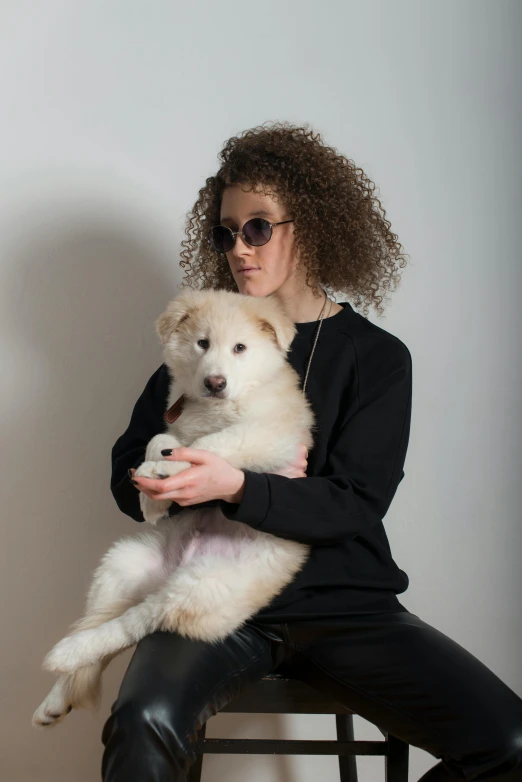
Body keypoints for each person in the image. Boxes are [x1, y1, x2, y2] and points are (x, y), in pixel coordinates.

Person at [102, 122, 522, 782]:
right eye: (226, 231)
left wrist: (236, 484)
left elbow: (353, 501)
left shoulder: (378, 359)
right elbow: (126, 475)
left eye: (258, 227)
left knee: (512, 744)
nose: (238, 248)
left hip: (347, 607)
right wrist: (170, 477)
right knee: (142, 721)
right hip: (215, 600)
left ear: (313, 225)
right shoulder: (204, 349)